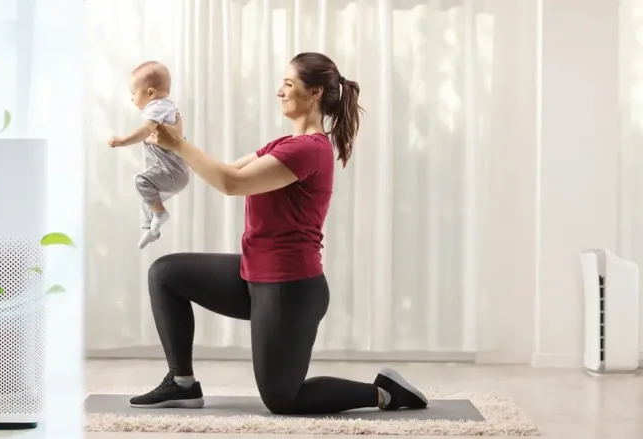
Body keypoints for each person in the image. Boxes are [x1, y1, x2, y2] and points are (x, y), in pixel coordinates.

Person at [129, 52, 428, 415]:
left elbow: (231, 183)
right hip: (253, 276)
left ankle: (386, 393)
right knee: (166, 274)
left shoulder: (308, 149)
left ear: (315, 92)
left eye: (288, 84)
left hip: (290, 287)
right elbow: (223, 170)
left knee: (283, 399)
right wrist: (176, 141)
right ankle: (182, 383)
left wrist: (179, 145)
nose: (279, 91)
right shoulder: (282, 145)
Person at [108, 61, 190, 249]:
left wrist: (122, 141)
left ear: (150, 93)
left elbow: (145, 130)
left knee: (141, 182)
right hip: (175, 172)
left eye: (133, 93)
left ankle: (160, 215)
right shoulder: (167, 108)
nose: (131, 99)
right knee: (145, 195)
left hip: (171, 172)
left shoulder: (157, 108)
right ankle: (151, 230)